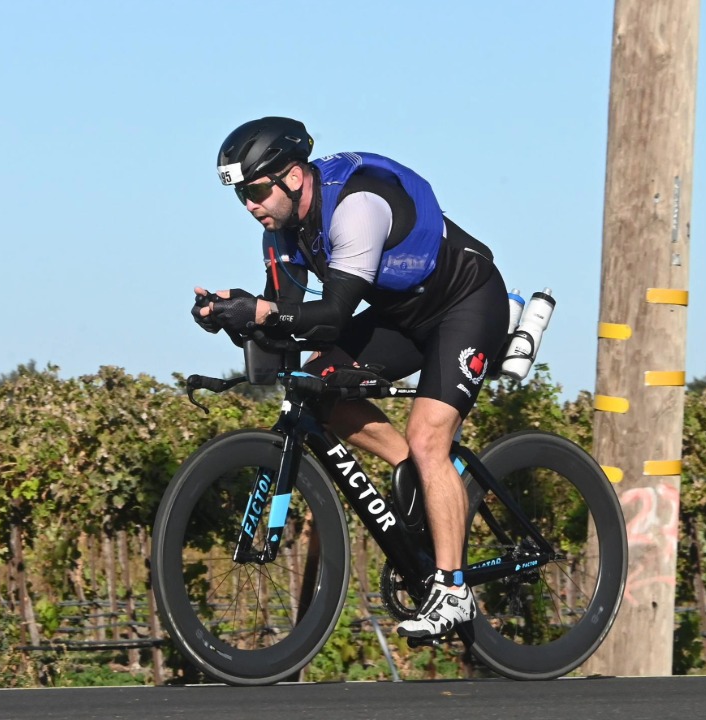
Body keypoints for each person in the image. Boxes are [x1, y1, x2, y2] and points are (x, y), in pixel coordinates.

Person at [191, 116, 509, 640]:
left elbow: (333, 317)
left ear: (293, 178)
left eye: (254, 191)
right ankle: (414, 472)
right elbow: (289, 329)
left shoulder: (357, 207)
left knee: (429, 436)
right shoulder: (281, 234)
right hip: (401, 318)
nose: (249, 206)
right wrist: (234, 318)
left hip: (466, 303)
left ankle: (454, 590)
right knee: (315, 386)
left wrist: (262, 312)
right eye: (240, 196)